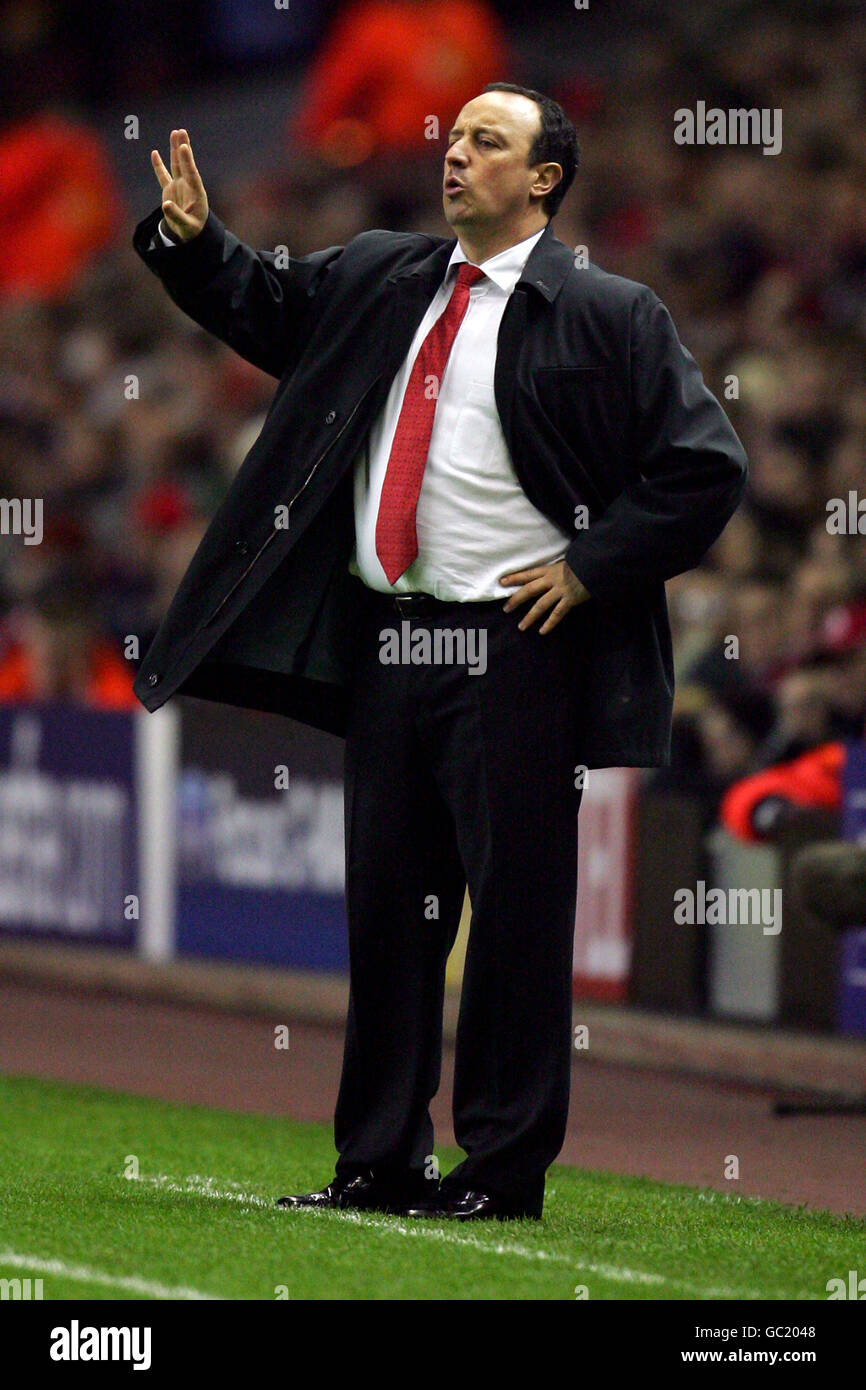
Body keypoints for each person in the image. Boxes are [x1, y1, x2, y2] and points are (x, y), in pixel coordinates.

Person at [132, 84, 748, 1221]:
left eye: (487, 142)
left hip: (516, 648)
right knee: (386, 913)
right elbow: (268, 309)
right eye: (455, 137)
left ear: (544, 179)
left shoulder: (609, 311)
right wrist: (193, 243)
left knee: (511, 919)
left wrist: (588, 565)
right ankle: (375, 1158)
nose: (454, 154)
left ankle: (501, 1171)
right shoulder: (382, 272)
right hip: (388, 643)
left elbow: (702, 467)